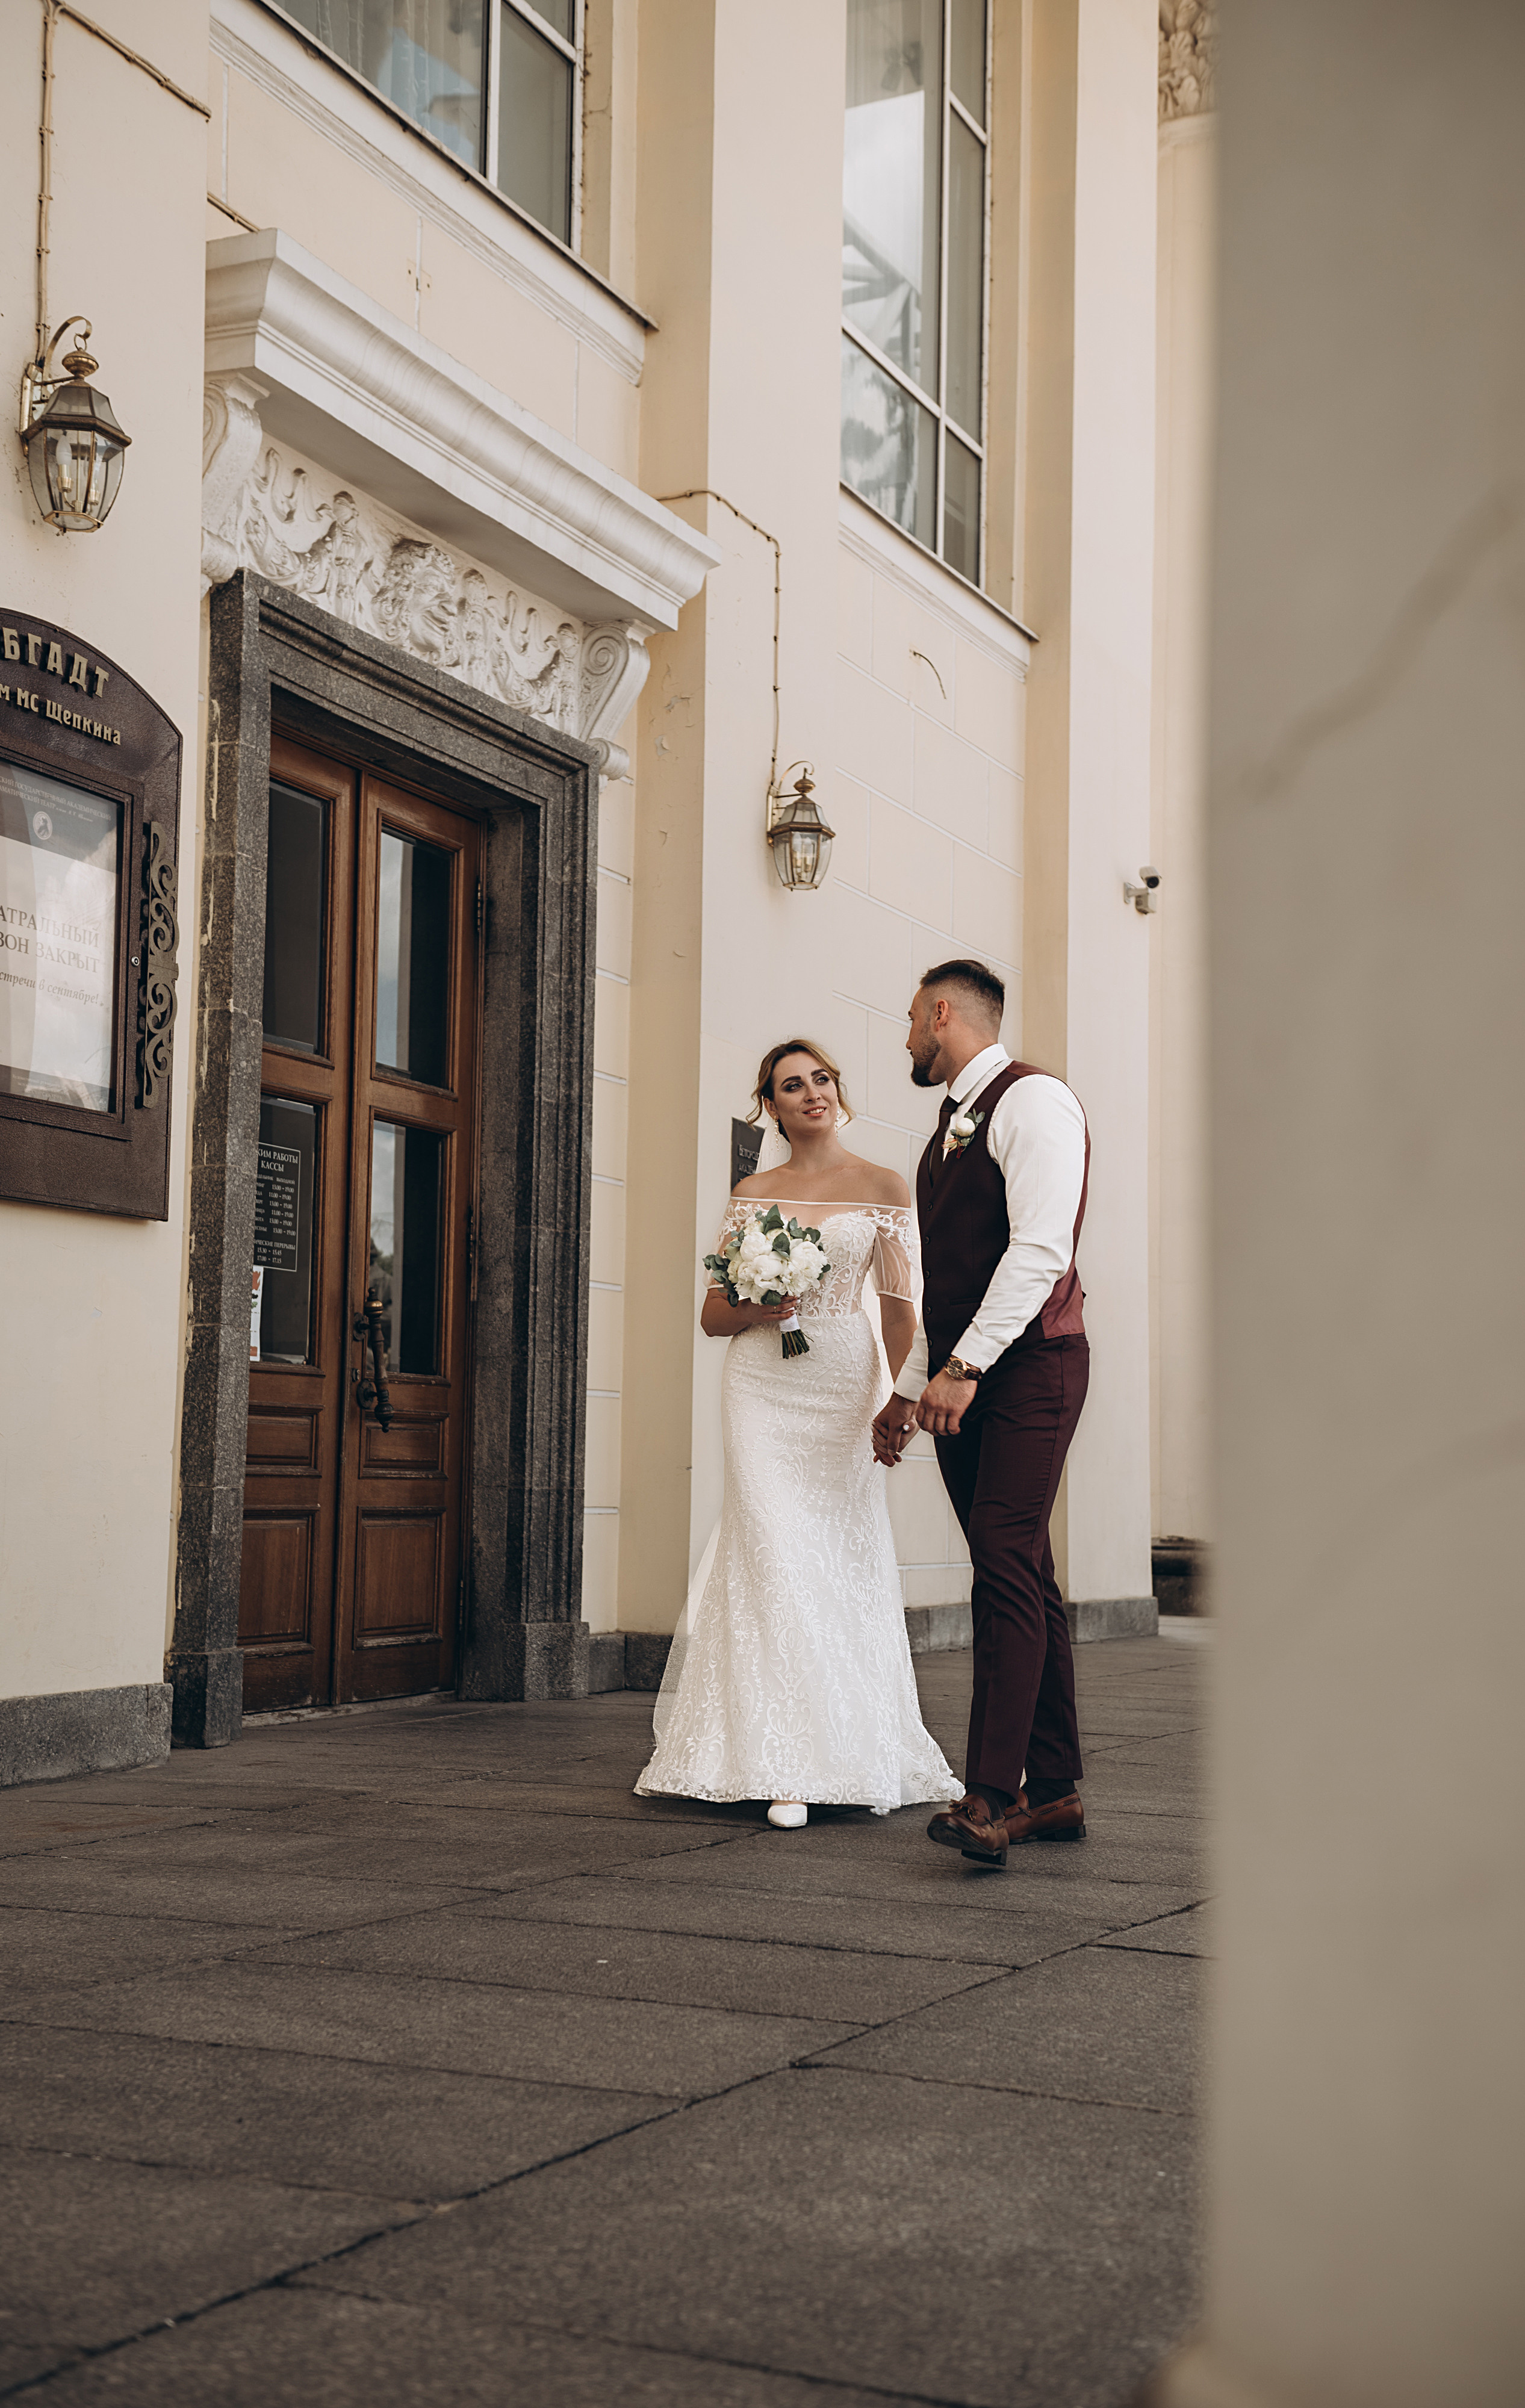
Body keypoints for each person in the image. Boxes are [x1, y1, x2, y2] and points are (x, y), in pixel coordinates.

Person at [636, 1038, 958, 1828]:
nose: (811, 1092)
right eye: (791, 1085)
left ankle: (842, 1746)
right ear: (770, 1107)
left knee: (836, 1555)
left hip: (843, 1384)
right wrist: (765, 1303)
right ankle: (780, 1761)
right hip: (760, 1386)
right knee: (771, 1548)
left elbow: (896, 1307)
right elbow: (714, 1316)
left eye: (820, 1079)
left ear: (834, 1091)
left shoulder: (882, 1185)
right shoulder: (754, 1192)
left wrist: (902, 1400)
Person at [871, 961, 1091, 1871]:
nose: (906, 1040)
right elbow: (941, 1281)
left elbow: (1039, 1252)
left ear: (940, 1012)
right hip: (965, 1374)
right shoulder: (945, 1132)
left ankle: (989, 1797)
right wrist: (906, 1385)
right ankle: (1057, 1789)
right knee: (1023, 1571)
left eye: (911, 1023)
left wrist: (961, 1370)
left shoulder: (1033, 1103)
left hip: (1030, 1369)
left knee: (1001, 1566)